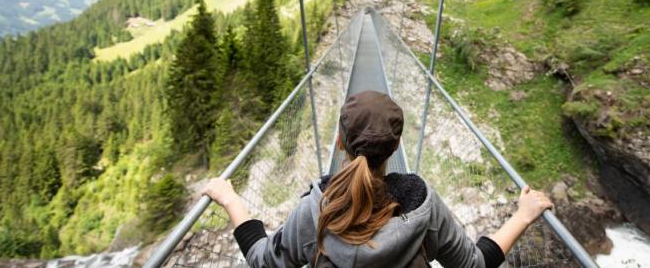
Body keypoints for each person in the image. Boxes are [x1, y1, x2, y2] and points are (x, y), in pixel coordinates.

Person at [203, 90, 553, 268]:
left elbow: (264, 261)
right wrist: (523, 215)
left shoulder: (314, 212)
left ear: (339, 142)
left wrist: (232, 200)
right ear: (396, 146)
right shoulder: (422, 206)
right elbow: (473, 265)